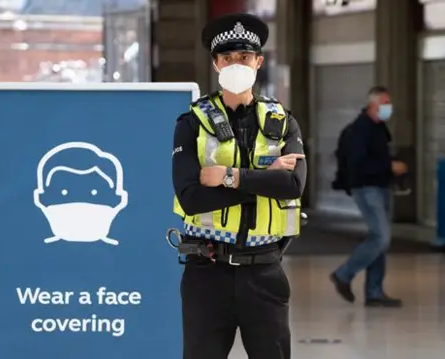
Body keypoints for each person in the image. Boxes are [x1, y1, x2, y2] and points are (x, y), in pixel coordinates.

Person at [171, 12, 307, 359]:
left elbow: (293, 184)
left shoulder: (283, 122)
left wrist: (229, 176)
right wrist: (265, 180)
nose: (236, 64)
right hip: (206, 275)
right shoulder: (192, 124)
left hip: (264, 273)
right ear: (216, 64)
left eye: (244, 57)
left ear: (258, 62)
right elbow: (191, 198)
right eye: (227, 58)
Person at [329, 85, 408, 308]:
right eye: (384, 103)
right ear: (372, 104)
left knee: (378, 240)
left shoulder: (379, 128)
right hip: (366, 188)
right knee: (381, 238)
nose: (388, 107)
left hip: (380, 186)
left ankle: (374, 292)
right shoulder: (361, 129)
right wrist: (389, 165)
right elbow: (358, 163)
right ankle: (343, 275)